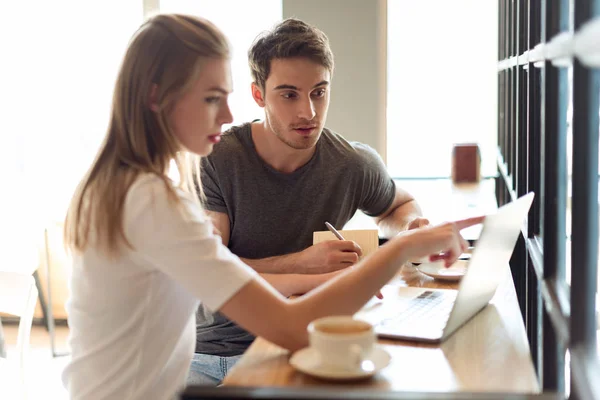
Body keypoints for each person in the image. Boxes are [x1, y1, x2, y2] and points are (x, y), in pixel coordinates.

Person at [61, 13, 482, 400]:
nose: (228, 115)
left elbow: (236, 281)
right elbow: (291, 327)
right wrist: (399, 251)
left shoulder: (125, 185)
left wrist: (337, 277)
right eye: (211, 98)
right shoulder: (153, 203)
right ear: (157, 98)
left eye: (225, 97)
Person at [191, 18, 430, 384]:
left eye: (319, 92)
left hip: (308, 348)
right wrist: (301, 264)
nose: (308, 113)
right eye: (289, 95)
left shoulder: (351, 163)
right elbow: (211, 271)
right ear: (258, 95)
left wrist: (410, 228)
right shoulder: (218, 159)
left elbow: (399, 205)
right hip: (215, 354)